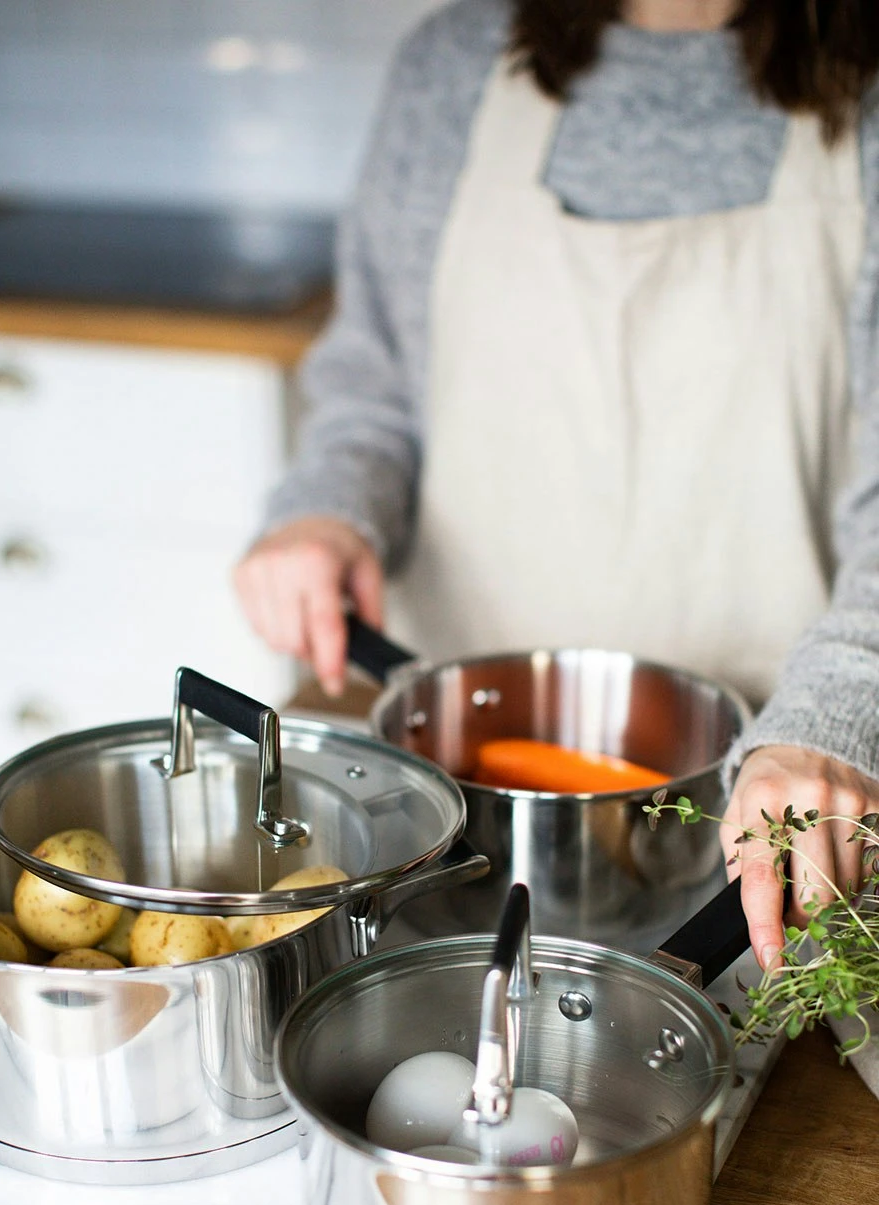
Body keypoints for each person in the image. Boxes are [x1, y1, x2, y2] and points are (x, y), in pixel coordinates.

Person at [234, 0, 879, 973]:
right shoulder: (451, 65)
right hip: (449, 821)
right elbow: (374, 385)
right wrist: (326, 508)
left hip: (776, 820)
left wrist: (838, 722)